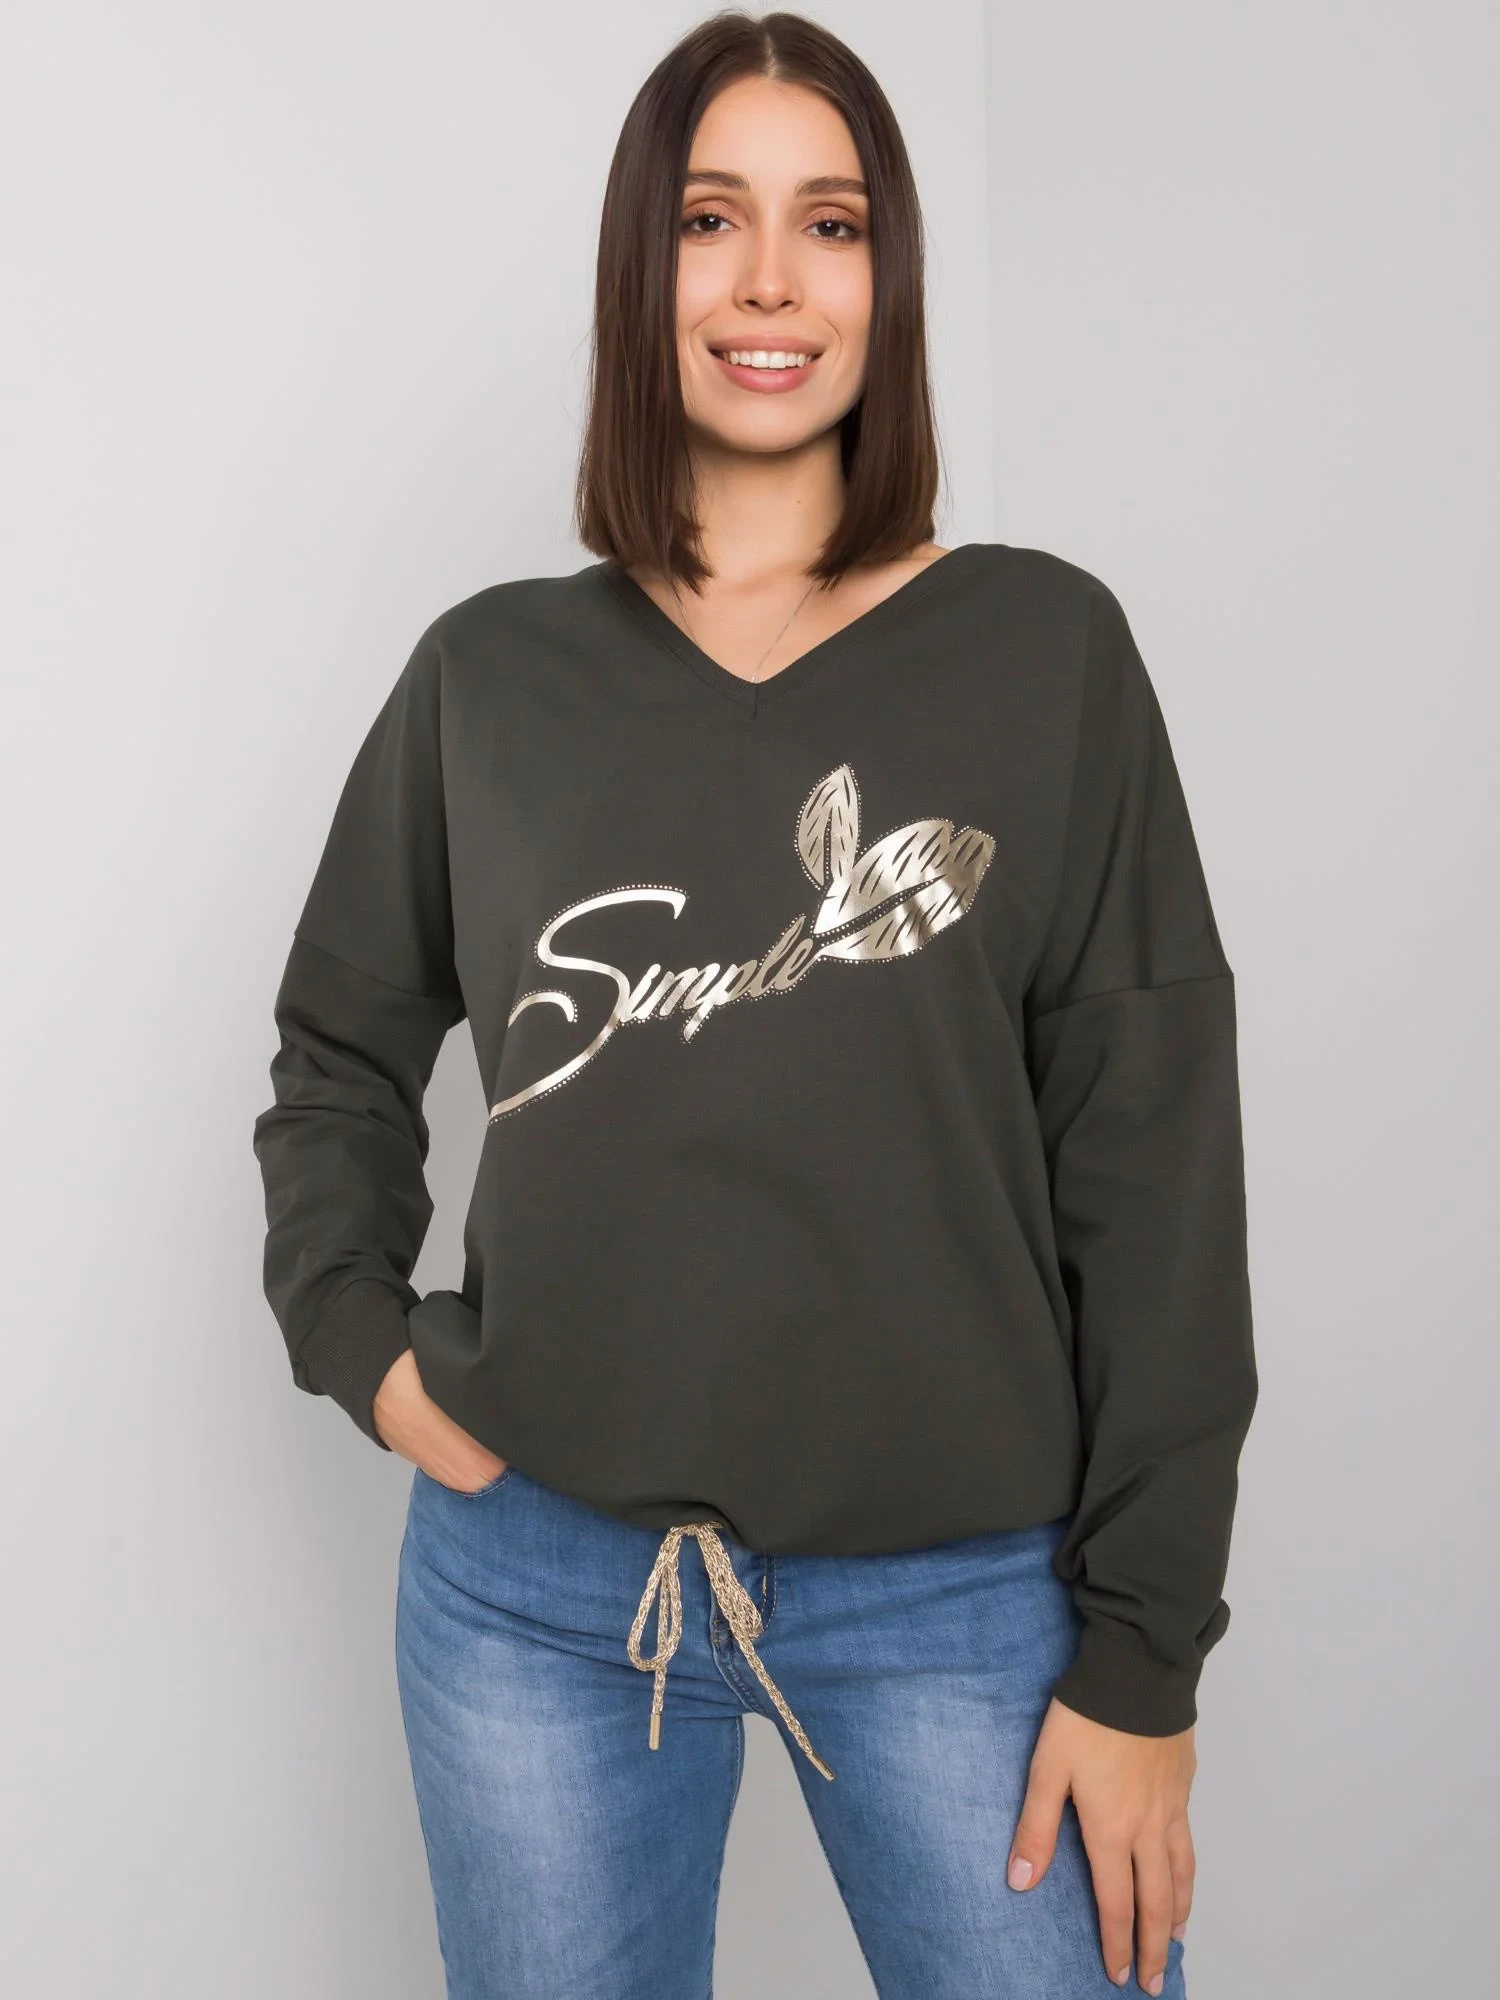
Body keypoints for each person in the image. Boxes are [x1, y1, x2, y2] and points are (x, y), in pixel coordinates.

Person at [251, 11, 1257, 1998]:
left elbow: (1158, 1167)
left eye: (834, 222)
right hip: (537, 1594)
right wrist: (359, 1341)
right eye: (714, 219)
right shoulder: (489, 679)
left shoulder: (1046, 652)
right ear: (645, 270)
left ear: (891, 278)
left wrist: (1145, 1657)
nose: (773, 280)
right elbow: (338, 1052)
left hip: (967, 1600)